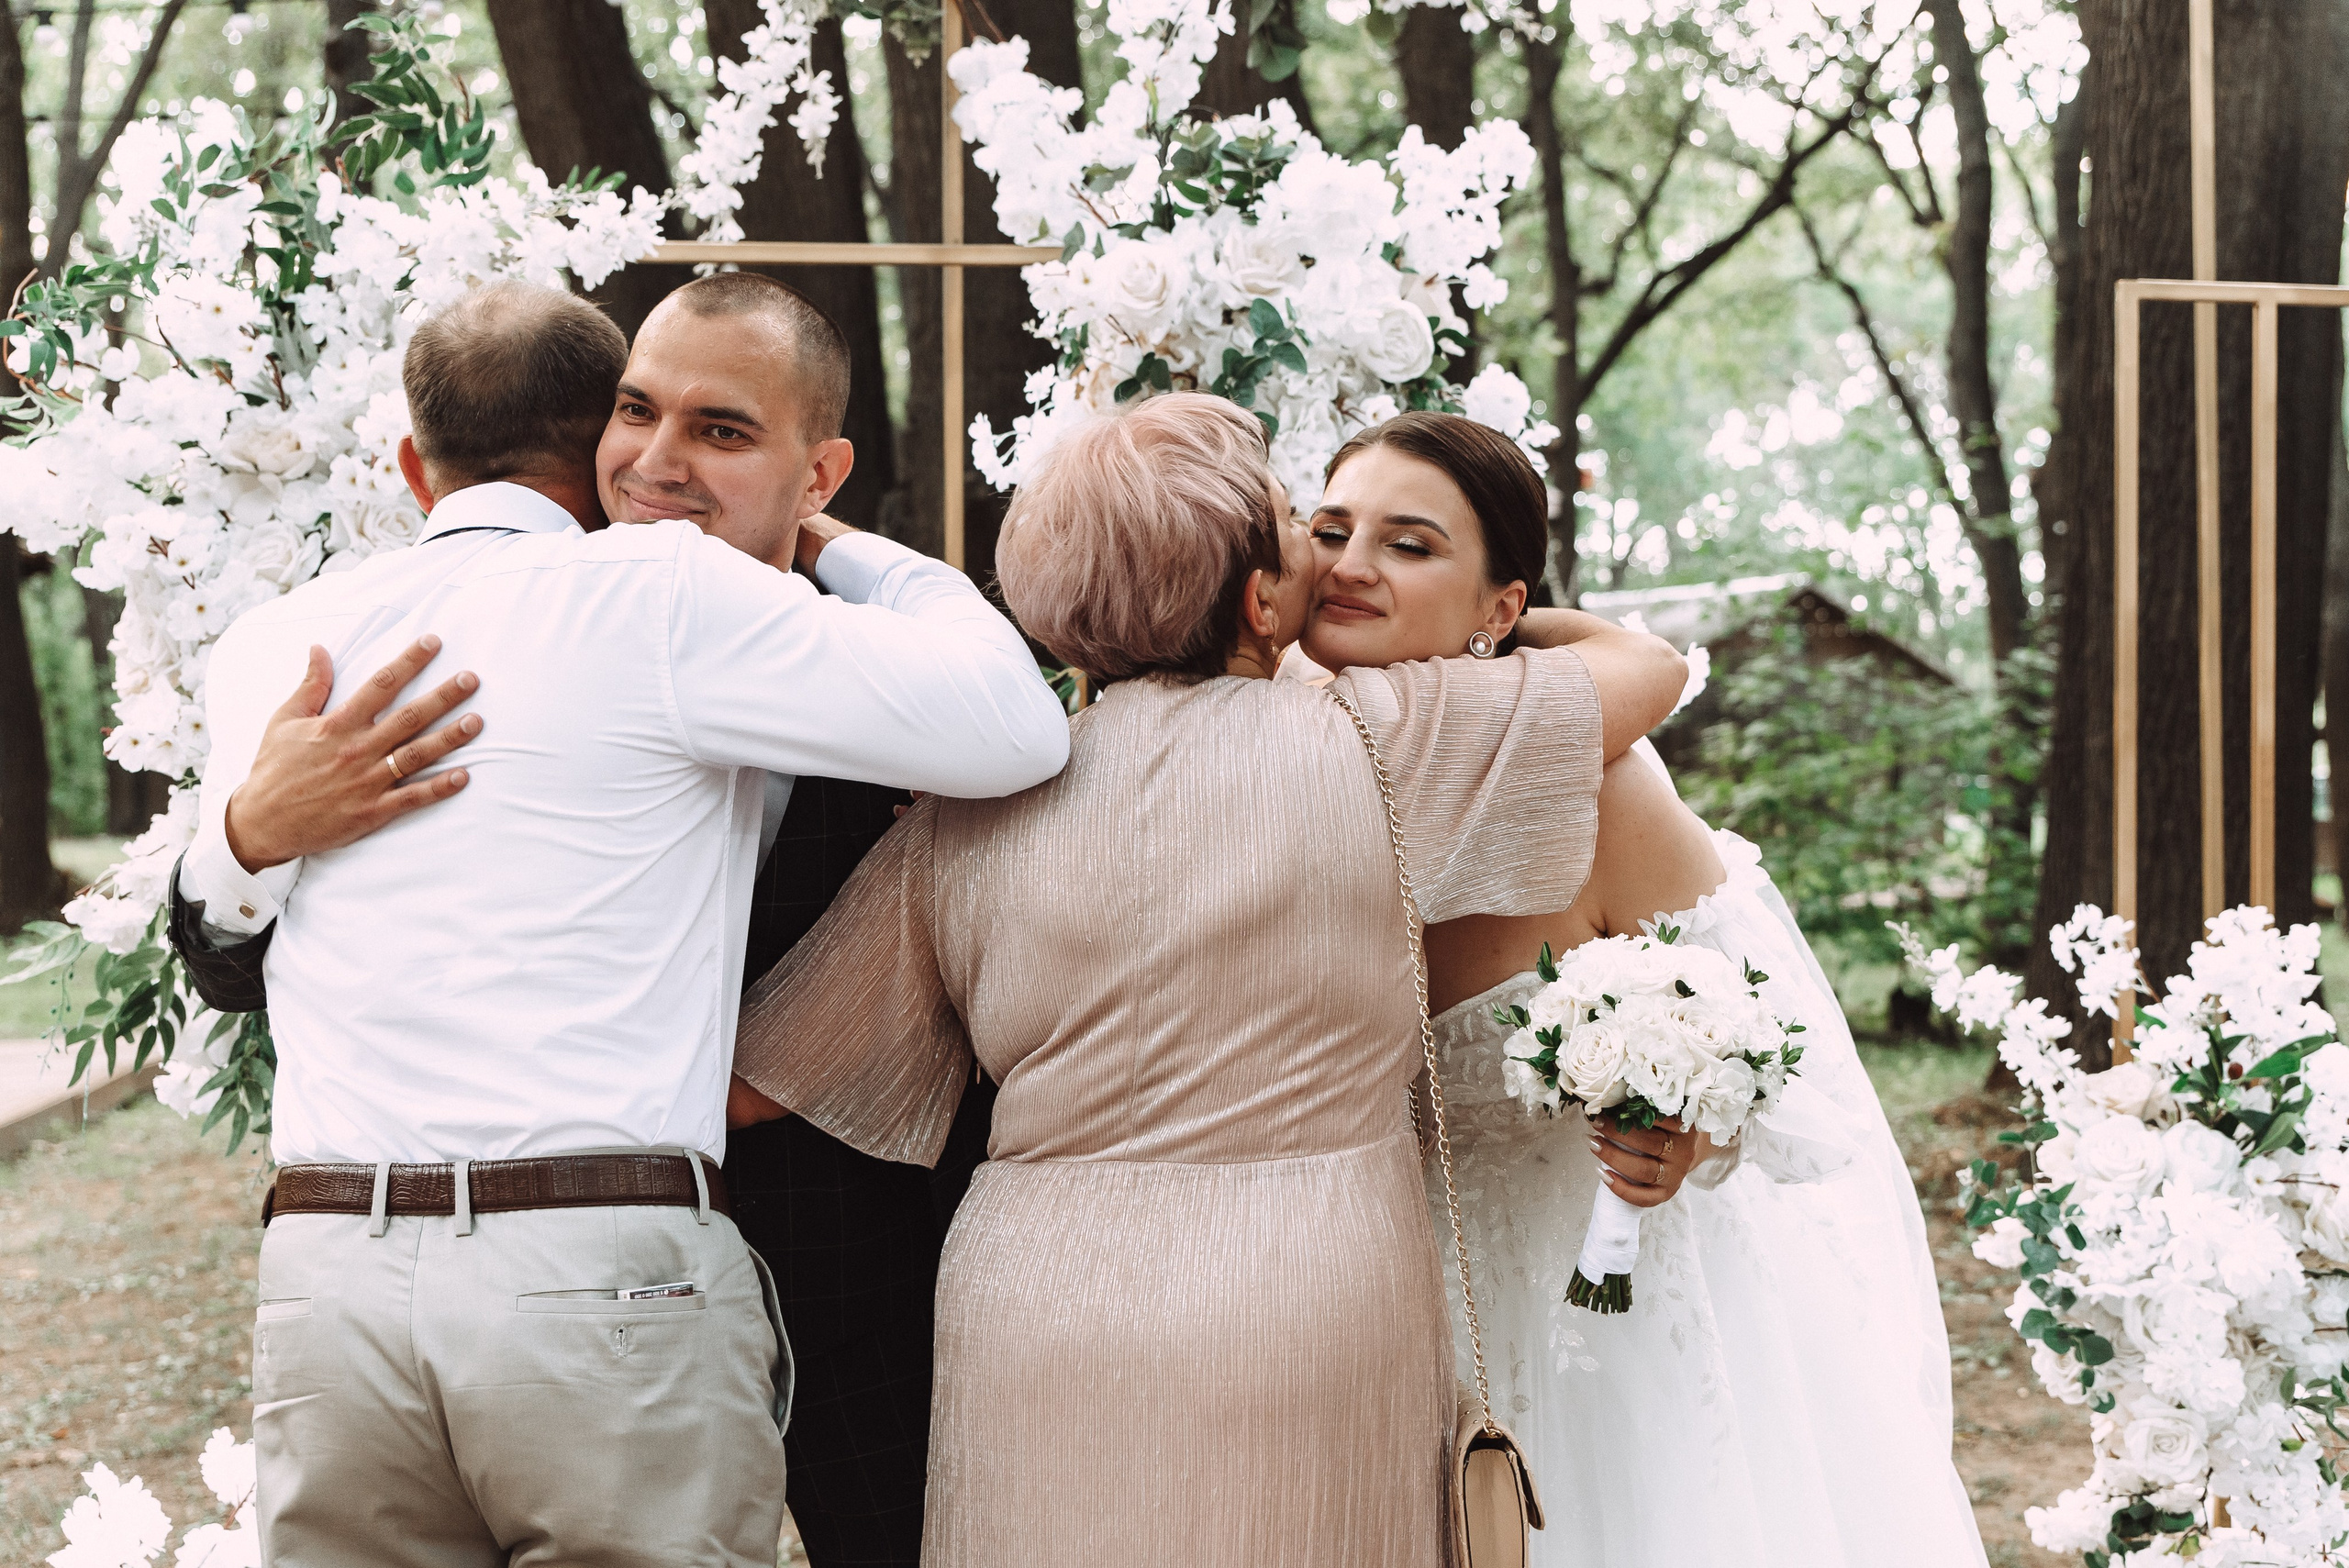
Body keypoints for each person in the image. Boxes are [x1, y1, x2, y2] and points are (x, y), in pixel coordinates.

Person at [168, 277, 1070, 1567]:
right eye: (636, 416)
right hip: (605, 1273)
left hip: (334, 1281)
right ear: (586, 448)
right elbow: (1020, 722)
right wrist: (250, 832)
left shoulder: (273, 644)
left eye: (716, 429)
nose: (657, 463)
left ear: (414, 467)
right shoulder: (657, 597)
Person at [723, 392, 1689, 1568]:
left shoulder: (962, 819)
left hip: (1034, 1301)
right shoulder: (1383, 736)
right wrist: (1505, 619)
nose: (1323, 559)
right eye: (1296, 526)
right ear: (1254, 597)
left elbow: (764, 1081)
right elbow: (1645, 668)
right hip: (1306, 1290)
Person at [1295, 410, 1987, 1568]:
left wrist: (1687, 1135)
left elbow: (1771, 1053)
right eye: (1330, 527)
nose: (1352, 563)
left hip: (1593, 1330)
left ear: (1500, 605)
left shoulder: (1603, 783)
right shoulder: (1255, 759)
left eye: (1410, 543)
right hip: (1355, 1319)